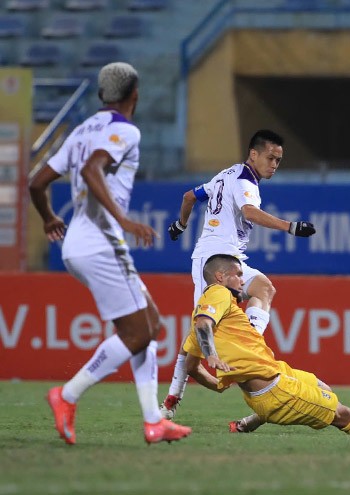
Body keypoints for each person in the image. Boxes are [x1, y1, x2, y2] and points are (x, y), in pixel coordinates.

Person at [28, 62, 191, 445]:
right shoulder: (125, 131)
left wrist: (49, 216)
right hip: (102, 242)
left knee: (149, 325)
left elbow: (37, 183)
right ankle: (66, 395)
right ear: (135, 93)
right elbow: (91, 169)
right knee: (142, 330)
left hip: (77, 245)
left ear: (104, 94)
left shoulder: (80, 130)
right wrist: (126, 220)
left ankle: (154, 421)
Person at [183, 254, 350, 437]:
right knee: (341, 414)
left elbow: (191, 367)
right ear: (220, 276)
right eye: (237, 274)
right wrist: (212, 355)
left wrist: (218, 384)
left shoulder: (211, 314)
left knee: (321, 386)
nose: (241, 279)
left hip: (275, 372)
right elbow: (205, 324)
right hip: (273, 390)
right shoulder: (217, 293)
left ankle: (251, 421)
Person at [160, 129, 316, 420]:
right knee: (198, 333)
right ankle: (169, 405)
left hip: (228, 257)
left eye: (279, 160)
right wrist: (291, 227)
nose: (274, 165)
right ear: (253, 154)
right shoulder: (246, 181)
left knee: (264, 289)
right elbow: (250, 212)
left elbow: (188, 197)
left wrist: (180, 226)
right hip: (215, 260)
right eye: (270, 158)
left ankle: (248, 344)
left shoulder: (225, 175)